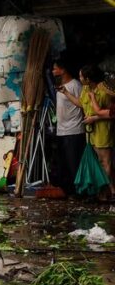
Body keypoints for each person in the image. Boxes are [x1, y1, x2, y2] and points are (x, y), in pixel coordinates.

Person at [80, 65, 115, 199]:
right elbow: (84, 104)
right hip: (92, 130)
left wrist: (94, 116)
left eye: (81, 76)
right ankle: (107, 190)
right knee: (99, 161)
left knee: (106, 162)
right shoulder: (87, 89)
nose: (80, 79)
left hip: (103, 129)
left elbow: (102, 112)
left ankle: (106, 191)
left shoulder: (104, 91)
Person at [53, 58, 86, 197]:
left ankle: (80, 193)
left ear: (63, 69)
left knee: (74, 164)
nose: (53, 71)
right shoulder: (60, 86)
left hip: (74, 130)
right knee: (64, 164)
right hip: (62, 131)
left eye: (55, 68)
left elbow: (83, 104)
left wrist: (67, 93)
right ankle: (68, 191)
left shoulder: (75, 85)